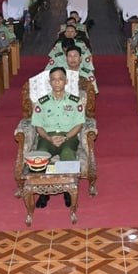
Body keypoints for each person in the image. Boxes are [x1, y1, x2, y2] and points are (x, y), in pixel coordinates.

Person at [31, 67, 86, 208]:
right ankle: (43, 192)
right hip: (47, 137)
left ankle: (67, 190)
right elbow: (38, 126)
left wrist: (65, 137)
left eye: (60, 79)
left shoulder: (75, 101)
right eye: (54, 80)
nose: (57, 82)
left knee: (67, 153)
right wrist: (49, 138)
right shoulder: (42, 102)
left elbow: (79, 124)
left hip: (68, 137)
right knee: (41, 155)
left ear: (66, 81)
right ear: (49, 82)